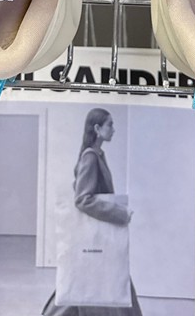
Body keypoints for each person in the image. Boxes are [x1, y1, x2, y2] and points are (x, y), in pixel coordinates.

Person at [42, 108, 143, 316]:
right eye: (110, 125)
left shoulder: (97, 155)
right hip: (96, 236)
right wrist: (120, 213)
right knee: (104, 282)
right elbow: (82, 199)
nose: (113, 129)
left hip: (97, 236)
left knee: (89, 283)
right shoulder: (90, 157)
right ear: (97, 129)